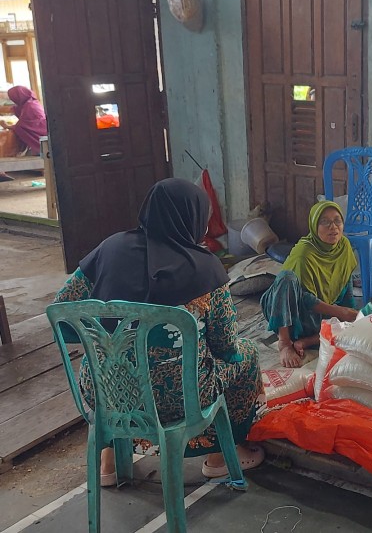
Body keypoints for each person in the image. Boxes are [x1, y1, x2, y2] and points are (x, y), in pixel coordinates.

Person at [53, 178, 264, 485]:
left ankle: (109, 461)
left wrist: (105, 338)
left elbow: (62, 314)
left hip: (107, 392)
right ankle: (221, 455)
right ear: (191, 219)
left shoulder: (109, 248)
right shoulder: (206, 268)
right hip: (180, 399)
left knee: (106, 363)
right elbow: (224, 345)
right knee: (244, 355)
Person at [261, 201, 358, 368]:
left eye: (337, 221)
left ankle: (305, 342)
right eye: (325, 222)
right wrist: (340, 311)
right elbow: (304, 299)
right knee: (287, 278)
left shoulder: (344, 247)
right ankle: (284, 342)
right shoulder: (304, 252)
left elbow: (345, 283)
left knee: (354, 325)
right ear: (314, 226)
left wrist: (350, 315)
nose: (333, 227)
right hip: (289, 310)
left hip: (316, 316)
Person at [0, 85, 48, 182]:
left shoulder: (31, 107)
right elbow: (12, 109)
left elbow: (24, 126)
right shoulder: (27, 104)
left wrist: (7, 126)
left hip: (41, 138)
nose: (12, 100)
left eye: (12, 98)